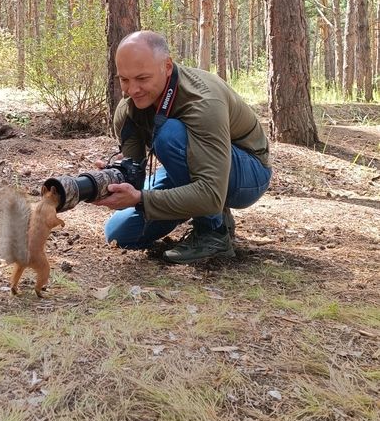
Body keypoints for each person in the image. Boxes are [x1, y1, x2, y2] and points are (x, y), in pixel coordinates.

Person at [94, 30, 271, 263]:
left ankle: (213, 233)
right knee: (120, 233)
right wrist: (113, 180)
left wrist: (140, 199)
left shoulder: (203, 100)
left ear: (167, 66)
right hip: (196, 166)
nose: (132, 90)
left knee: (169, 135)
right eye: (124, 80)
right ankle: (215, 215)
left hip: (247, 171)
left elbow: (211, 194)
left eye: (142, 78)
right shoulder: (128, 111)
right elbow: (134, 174)